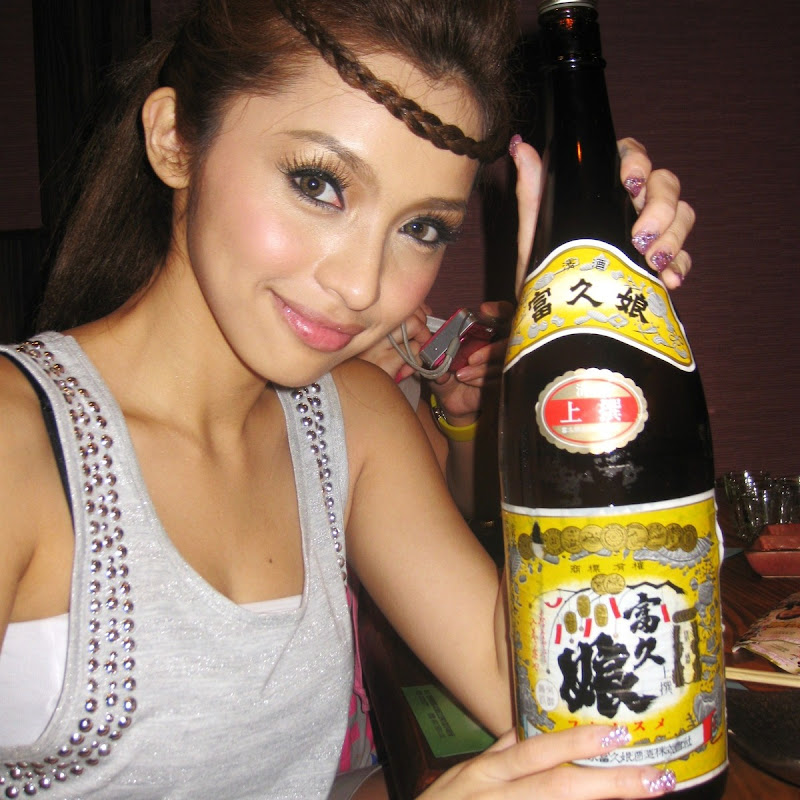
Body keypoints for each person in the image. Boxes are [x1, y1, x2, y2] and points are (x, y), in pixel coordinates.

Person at [0, 0, 695, 797]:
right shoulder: (18, 442)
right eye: (318, 184)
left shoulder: (356, 425)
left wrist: (568, 307)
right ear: (174, 140)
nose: (363, 285)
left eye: (423, 228)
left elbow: (551, 696)